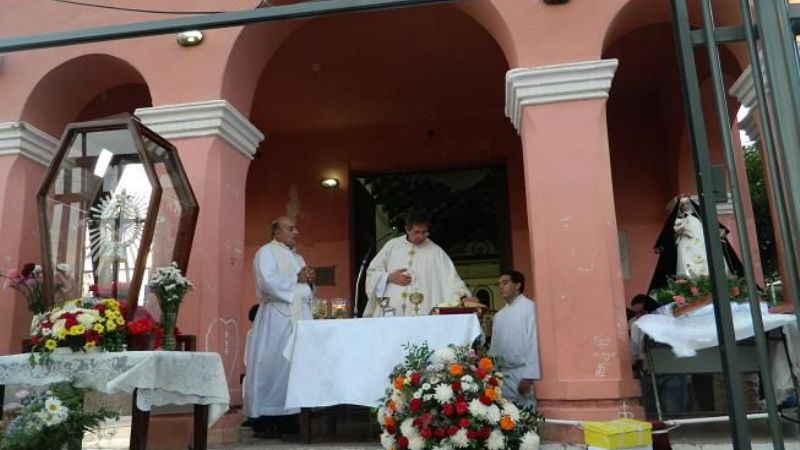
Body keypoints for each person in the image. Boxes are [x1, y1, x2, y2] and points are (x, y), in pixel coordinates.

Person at [243, 215, 315, 437]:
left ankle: (292, 414)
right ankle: (267, 416)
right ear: (277, 232)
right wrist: (298, 279)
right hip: (277, 317)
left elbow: (305, 287)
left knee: (295, 365)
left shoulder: (298, 257)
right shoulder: (266, 252)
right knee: (274, 364)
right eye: (290, 228)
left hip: (299, 316)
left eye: (296, 228)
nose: (296, 232)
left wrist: (310, 280)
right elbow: (267, 282)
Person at [363, 211, 474, 317]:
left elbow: (451, 279)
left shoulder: (436, 252)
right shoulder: (392, 246)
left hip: (423, 310)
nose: (421, 236)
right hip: (391, 311)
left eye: (424, 232)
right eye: (417, 232)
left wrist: (462, 297)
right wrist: (388, 277)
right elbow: (372, 271)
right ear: (407, 229)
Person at [488, 270, 540, 408]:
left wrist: (529, 376)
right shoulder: (499, 316)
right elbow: (495, 347)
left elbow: (534, 342)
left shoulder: (530, 308)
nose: (500, 287)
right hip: (504, 375)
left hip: (522, 373)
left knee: (527, 416)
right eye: (498, 284)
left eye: (505, 283)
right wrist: (492, 374)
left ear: (517, 285)